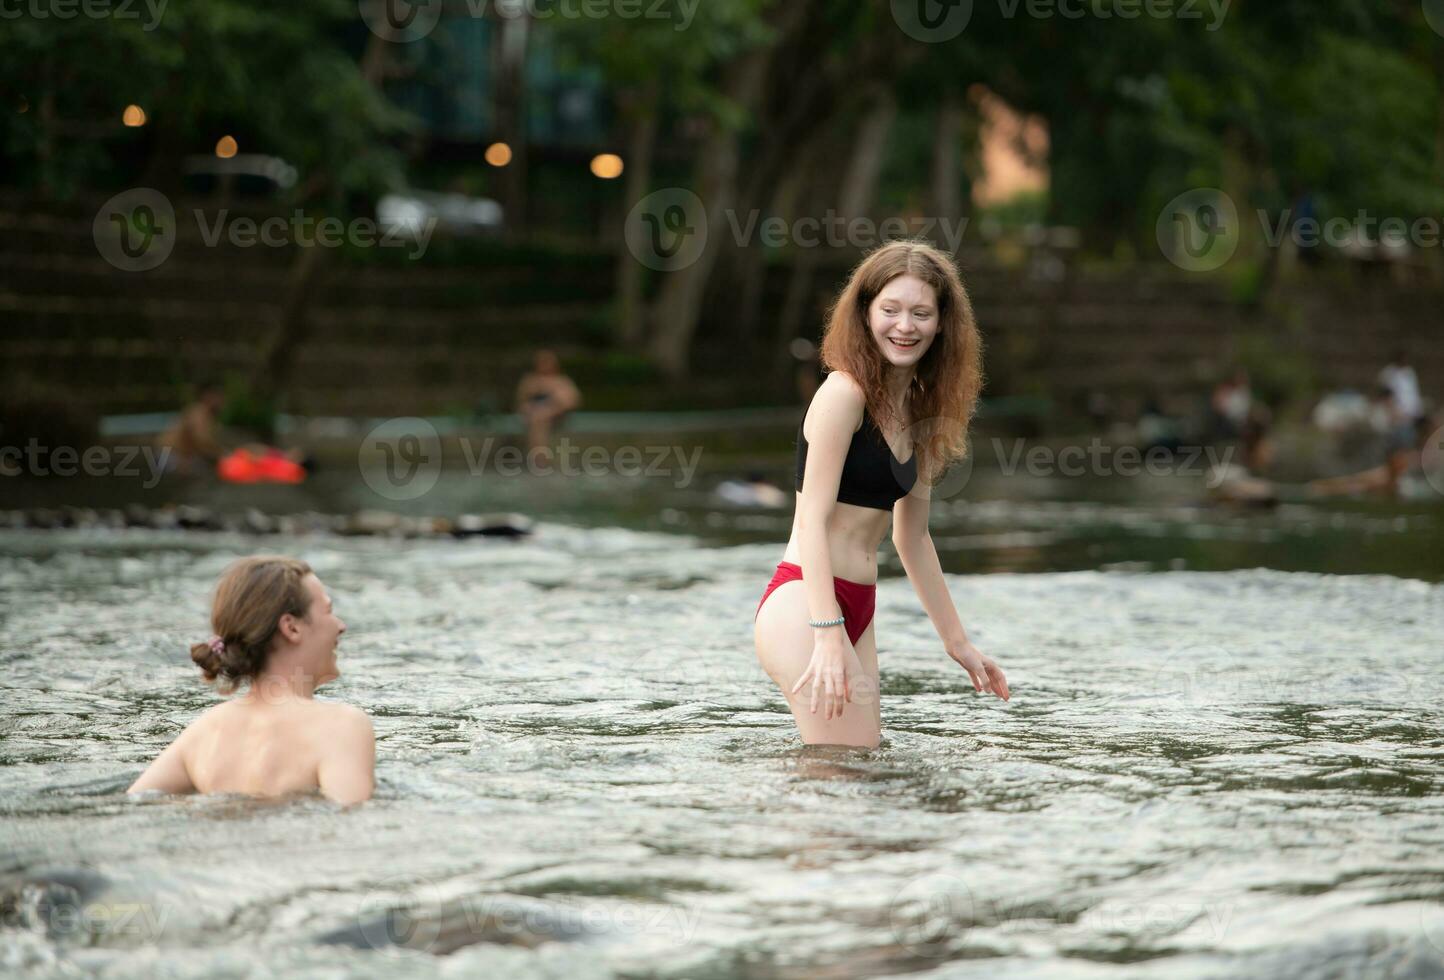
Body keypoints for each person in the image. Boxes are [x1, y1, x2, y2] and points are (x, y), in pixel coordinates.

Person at [753, 240, 1009, 749]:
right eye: (890, 310)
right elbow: (810, 521)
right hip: (807, 601)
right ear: (866, 312)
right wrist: (827, 631)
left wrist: (958, 644)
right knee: (841, 769)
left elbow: (913, 538)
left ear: (942, 324)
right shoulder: (843, 394)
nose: (905, 326)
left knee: (859, 769)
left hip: (858, 606)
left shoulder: (921, 411)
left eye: (921, 313)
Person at [128, 556, 374, 805]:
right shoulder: (341, 726)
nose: (341, 626)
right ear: (292, 627)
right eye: (329, 611)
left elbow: (133, 803)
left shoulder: (205, 731)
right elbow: (352, 824)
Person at [515, 350, 582, 464]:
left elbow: (572, 401)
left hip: (557, 415)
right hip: (535, 417)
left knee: (540, 418)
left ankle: (539, 460)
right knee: (538, 420)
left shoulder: (562, 381)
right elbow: (521, 402)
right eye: (542, 362)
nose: (545, 365)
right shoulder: (530, 380)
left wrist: (551, 405)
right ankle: (540, 459)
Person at [156, 382, 226, 476]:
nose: (222, 401)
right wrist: (223, 454)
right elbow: (201, 439)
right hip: (170, 457)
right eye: (218, 397)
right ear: (208, 396)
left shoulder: (204, 414)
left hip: (173, 456)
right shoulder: (199, 412)